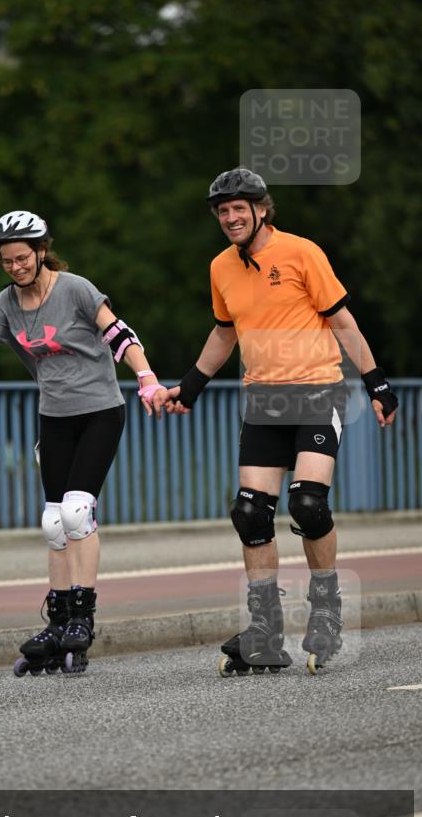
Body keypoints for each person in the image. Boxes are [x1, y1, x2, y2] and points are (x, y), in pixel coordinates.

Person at [165, 168, 399, 675]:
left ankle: (327, 610)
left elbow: (341, 321)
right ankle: (265, 631)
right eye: (222, 211)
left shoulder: (301, 252)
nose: (230, 218)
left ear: (261, 209)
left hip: (317, 392)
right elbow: (225, 331)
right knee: (250, 512)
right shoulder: (221, 267)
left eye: (239, 209)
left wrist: (376, 382)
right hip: (263, 402)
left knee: (308, 503)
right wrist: (191, 384)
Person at [0, 210, 167, 675]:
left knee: (76, 512)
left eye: (22, 258)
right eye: (6, 261)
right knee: (54, 522)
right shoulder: (6, 303)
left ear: (41, 251)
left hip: (100, 412)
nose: (15, 267)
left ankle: (82, 618)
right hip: (54, 417)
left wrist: (147, 378)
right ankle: (57, 624)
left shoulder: (75, 289)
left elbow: (120, 334)